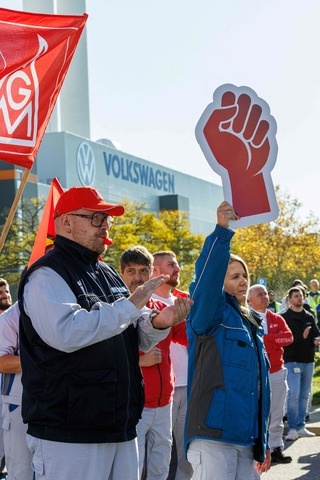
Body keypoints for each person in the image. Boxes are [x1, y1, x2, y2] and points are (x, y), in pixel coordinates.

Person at [18, 186, 192, 480]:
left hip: (118, 425)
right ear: (66, 222)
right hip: (69, 432)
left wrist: (159, 323)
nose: (105, 226)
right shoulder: (46, 274)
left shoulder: (107, 272)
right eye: (96, 218)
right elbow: (67, 333)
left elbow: (131, 334)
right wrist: (130, 307)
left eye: (107, 219)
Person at [186, 201, 271, 480]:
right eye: (234, 276)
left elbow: (259, 388)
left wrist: (264, 438)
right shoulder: (210, 313)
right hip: (213, 438)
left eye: (244, 275)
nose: (243, 281)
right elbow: (207, 279)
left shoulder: (253, 324)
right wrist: (222, 232)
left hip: (246, 438)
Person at [119, 245, 188, 480]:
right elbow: (106, 354)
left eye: (143, 271)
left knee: (160, 465)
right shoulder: (115, 310)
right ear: (121, 273)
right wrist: (139, 361)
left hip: (164, 401)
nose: (138, 278)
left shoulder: (162, 309)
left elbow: (189, 337)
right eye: (131, 271)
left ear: (152, 274)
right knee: (133, 468)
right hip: (136, 404)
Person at [152, 251, 193, 480]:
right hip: (159, 393)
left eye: (177, 264)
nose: (177, 268)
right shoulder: (145, 302)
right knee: (160, 454)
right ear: (155, 270)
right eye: (171, 265)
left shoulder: (185, 300)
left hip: (188, 385)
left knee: (186, 453)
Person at [248, 284, 293, 464]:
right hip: (255, 373)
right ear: (250, 300)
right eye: (260, 294)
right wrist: (274, 341)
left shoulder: (276, 318)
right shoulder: (246, 317)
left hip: (276, 372)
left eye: (266, 294)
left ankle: (275, 448)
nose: (265, 297)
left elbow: (288, 337)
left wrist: (266, 339)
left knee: (276, 412)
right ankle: (256, 449)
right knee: (256, 412)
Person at [0, 302, 33, 480]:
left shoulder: (60, 307)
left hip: (54, 405)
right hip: (18, 407)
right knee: (22, 473)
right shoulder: (10, 317)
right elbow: (2, 362)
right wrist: (41, 360)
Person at [282, 287, 320, 441]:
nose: (299, 298)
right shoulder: (284, 317)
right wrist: (301, 336)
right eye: (296, 296)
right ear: (290, 299)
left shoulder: (309, 316)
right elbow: (285, 340)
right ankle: (292, 428)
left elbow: (316, 333)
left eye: (301, 296)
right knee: (293, 394)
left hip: (308, 361)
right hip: (292, 361)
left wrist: (316, 340)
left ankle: (301, 426)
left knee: (304, 395)